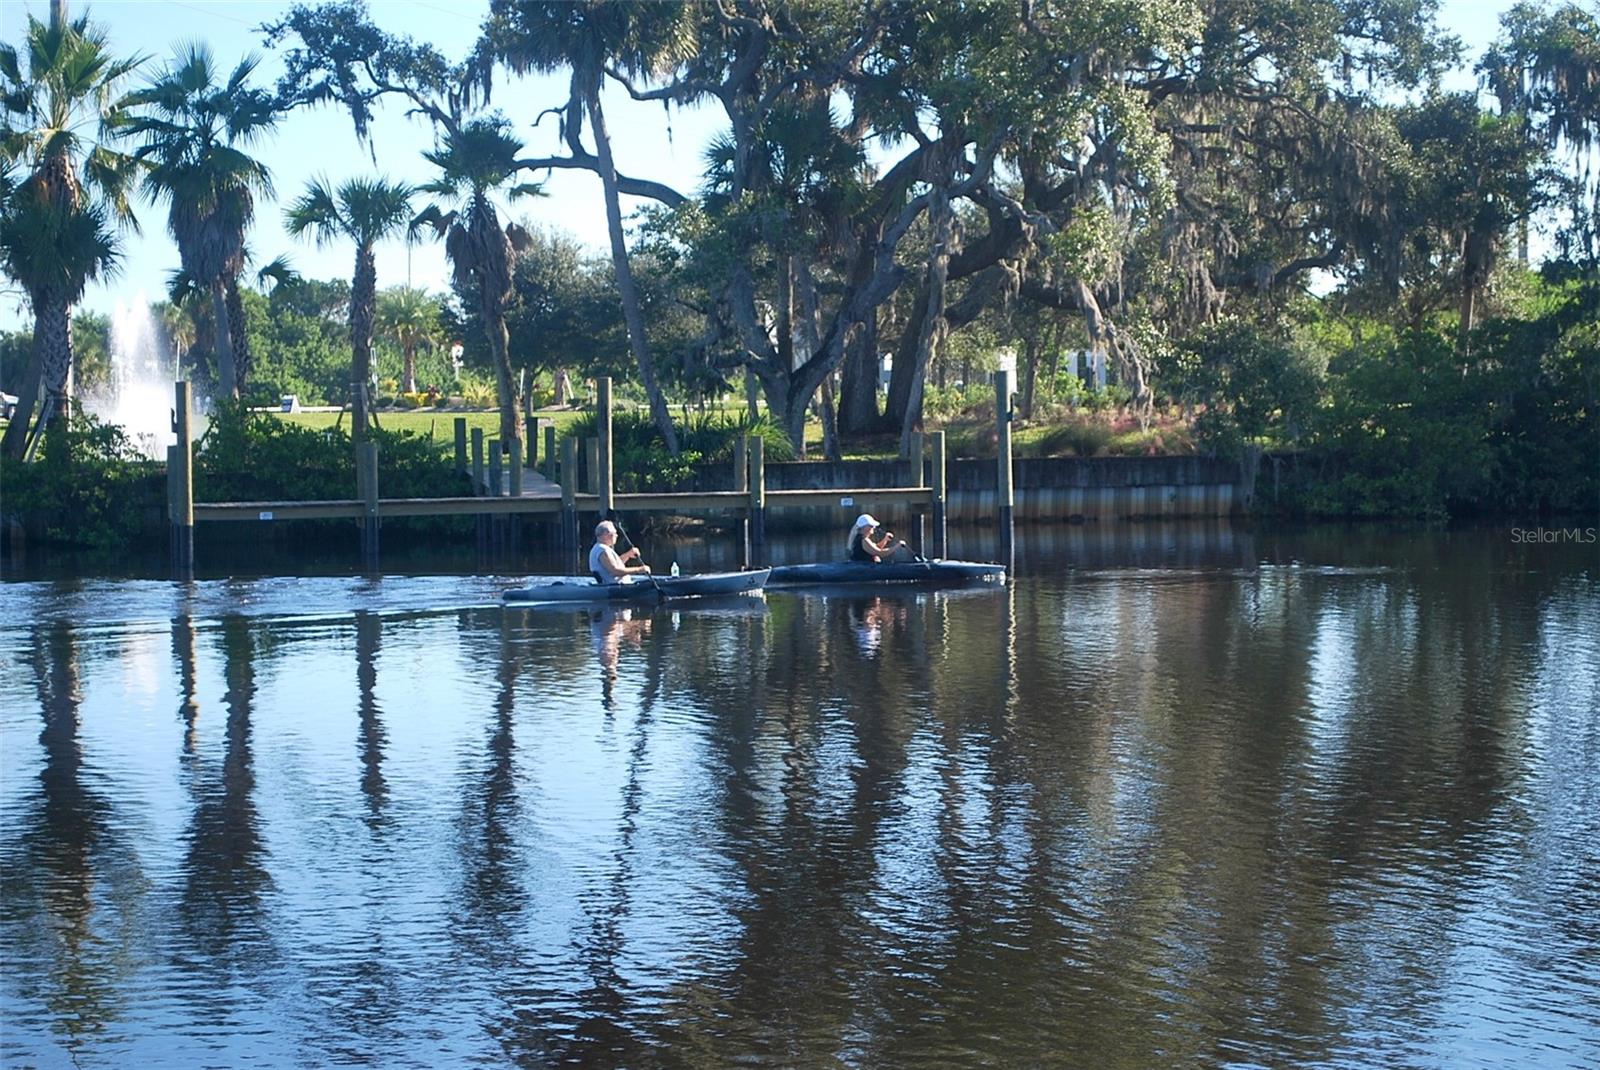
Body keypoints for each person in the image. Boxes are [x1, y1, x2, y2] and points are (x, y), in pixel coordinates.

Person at [847, 513, 915, 563]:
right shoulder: (864, 540)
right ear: (864, 527)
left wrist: (885, 539)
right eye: (871, 525)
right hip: (862, 568)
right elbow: (880, 553)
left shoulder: (863, 538)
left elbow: (876, 548)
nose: (873, 527)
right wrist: (897, 546)